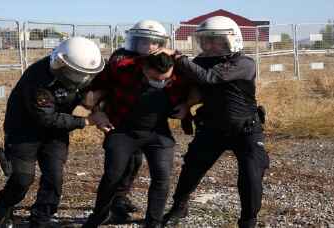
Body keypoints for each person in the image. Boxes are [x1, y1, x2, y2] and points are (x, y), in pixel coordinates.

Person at [153, 16, 270, 228]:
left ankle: (248, 221)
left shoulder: (243, 63)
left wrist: (178, 57)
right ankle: (179, 206)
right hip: (212, 128)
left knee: (251, 175)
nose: (210, 45)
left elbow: (209, 78)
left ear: (231, 40)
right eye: (206, 40)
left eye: (216, 40)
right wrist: (185, 104)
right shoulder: (200, 62)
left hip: (246, 129)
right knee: (192, 170)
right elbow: (188, 84)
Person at [0, 37, 105, 228]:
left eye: (83, 74)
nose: (80, 78)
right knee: (22, 178)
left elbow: (89, 93)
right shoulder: (38, 79)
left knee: (54, 177)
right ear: (60, 63)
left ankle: (42, 218)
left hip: (55, 133)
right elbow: (46, 118)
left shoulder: (81, 75)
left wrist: (97, 108)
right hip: (24, 131)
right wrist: (86, 121)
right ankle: (5, 203)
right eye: (75, 73)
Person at [82, 51, 190, 228]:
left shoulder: (179, 72)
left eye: (165, 80)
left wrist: (187, 104)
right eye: (156, 79)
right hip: (123, 130)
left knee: (162, 176)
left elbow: (200, 85)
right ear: (144, 69)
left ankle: (153, 222)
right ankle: (99, 216)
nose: (161, 83)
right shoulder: (122, 70)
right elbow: (90, 90)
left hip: (157, 132)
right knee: (112, 176)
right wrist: (96, 111)